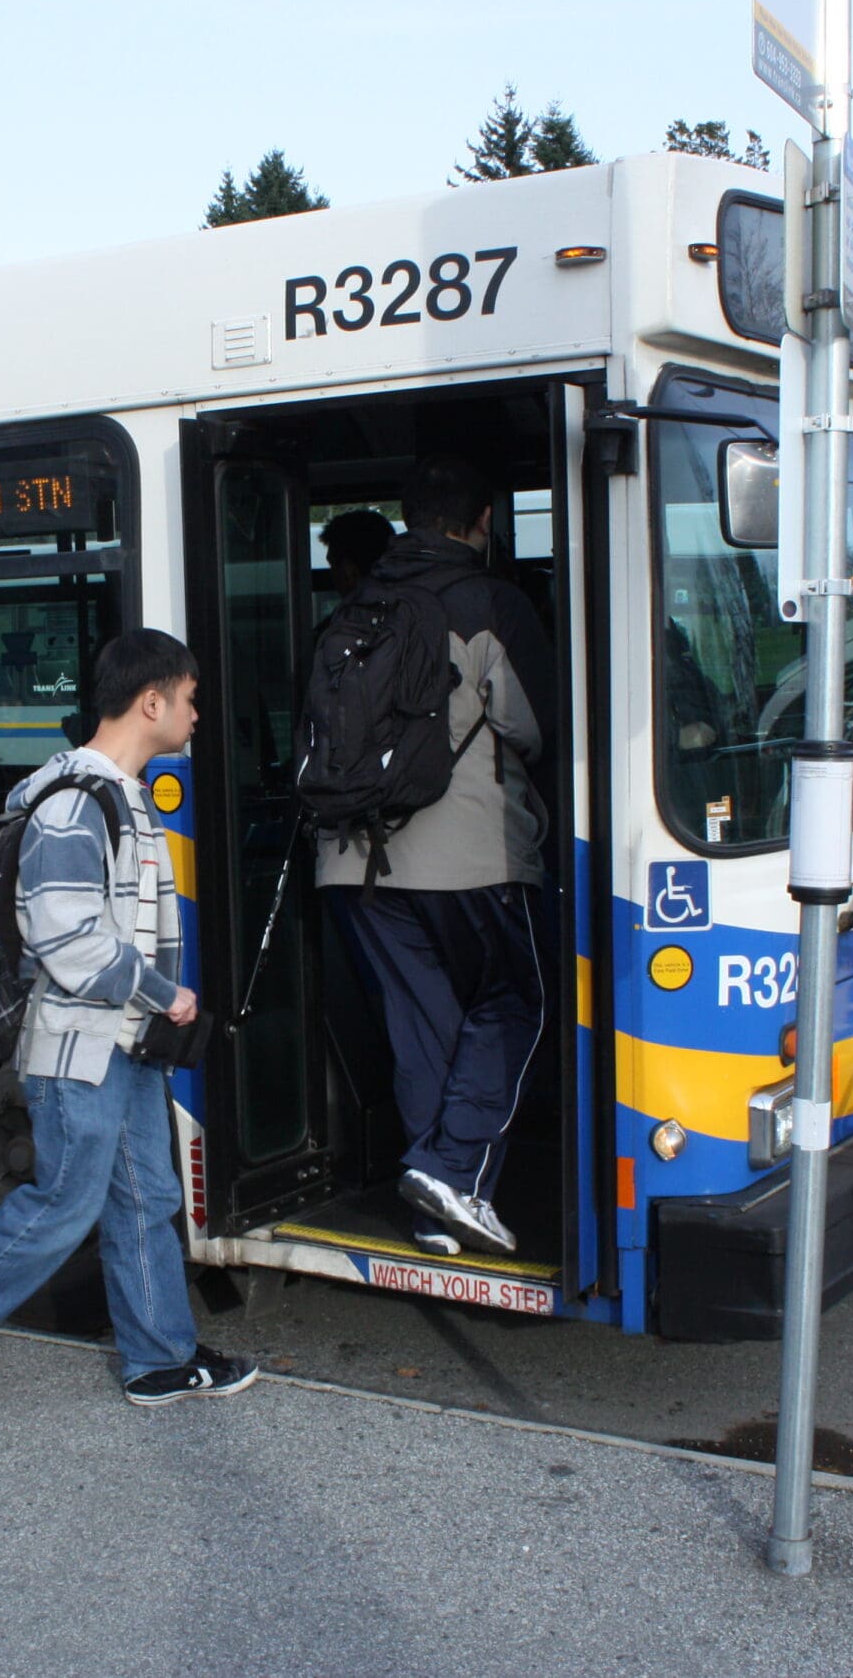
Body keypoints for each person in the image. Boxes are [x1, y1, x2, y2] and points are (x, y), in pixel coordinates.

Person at [0, 630, 258, 1409]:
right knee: (61, 1206)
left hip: (122, 1043)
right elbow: (67, 936)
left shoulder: (120, 795)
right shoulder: (75, 805)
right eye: (189, 699)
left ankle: (158, 1358)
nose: (194, 715)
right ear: (151, 701)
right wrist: (162, 992)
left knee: (146, 1198)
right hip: (79, 1048)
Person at [318, 456, 553, 1260]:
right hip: (471, 857)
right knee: (517, 1002)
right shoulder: (489, 603)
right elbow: (532, 727)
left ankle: (435, 1210)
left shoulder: (355, 608)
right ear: (484, 520)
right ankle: (453, 1168)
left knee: (423, 1028)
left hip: (353, 861)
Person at [321, 506, 397, 602]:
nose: (332, 576)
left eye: (332, 565)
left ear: (348, 571)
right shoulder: (413, 606)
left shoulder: (349, 615)